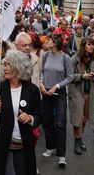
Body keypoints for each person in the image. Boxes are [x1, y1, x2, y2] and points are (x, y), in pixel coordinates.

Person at [0, 50, 42, 175]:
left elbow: (39, 116)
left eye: (8, 65)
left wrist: (30, 118)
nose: (4, 68)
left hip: (24, 145)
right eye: (4, 65)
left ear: (18, 67)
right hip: (3, 145)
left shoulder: (32, 90)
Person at [39, 34, 74, 166]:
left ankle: (61, 155)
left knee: (60, 123)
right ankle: (51, 147)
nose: (46, 41)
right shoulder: (46, 55)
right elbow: (42, 71)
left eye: (48, 40)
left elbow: (70, 77)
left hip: (59, 92)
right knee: (47, 121)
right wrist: (41, 83)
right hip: (46, 91)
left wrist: (57, 86)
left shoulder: (65, 57)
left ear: (55, 43)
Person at [68, 37, 94, 155]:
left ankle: (80, 138)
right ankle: (77, 141)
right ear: (83, 46)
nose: (91, 46)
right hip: (77, 91)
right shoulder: (75, 58)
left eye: (93, 45)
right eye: (89, 44)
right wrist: (82, 76)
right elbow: (69, 76)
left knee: (86, 117)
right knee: (78, 118)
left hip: (90, 91)